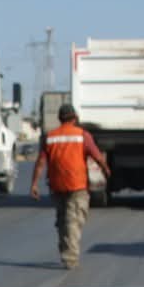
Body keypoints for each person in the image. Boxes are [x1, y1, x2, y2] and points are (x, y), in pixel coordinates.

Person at [29, 104, 111, 269]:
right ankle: (70, 257)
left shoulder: (50, 137)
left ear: (59, 119)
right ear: (75, 118)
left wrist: (34, 184)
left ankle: (64, 248)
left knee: (62, 220)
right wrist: (105, 170)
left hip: (57, 185)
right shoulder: (83, 135)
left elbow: (40, 162)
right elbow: (97, 156)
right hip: (77, 185)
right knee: (74, 220)